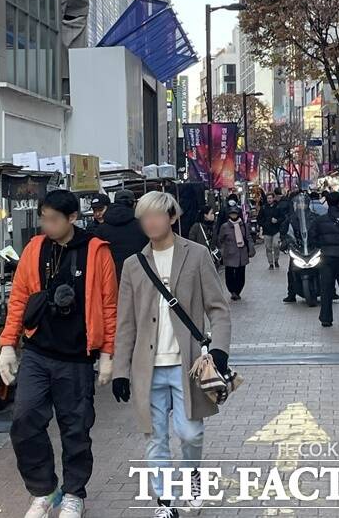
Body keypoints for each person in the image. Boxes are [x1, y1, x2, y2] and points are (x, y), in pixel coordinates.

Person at [0, 189, 117, 518]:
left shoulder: (96, 251)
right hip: (37, 352)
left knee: (75, 429)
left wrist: (108, 352)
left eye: (52, 219)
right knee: (24, 421)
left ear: (72, 218)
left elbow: (109, 305)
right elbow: (19, 298)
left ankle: (74, 493)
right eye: (43, 218)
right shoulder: (35, 248)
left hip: (77, 357)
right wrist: (9, 343)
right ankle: (44, 490)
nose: (45, 225)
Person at [112, 191, 231, 518]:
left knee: (190, 432)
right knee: (155, 438)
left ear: (172, 217)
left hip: (188, 364)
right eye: (144, 218)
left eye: (156, 215)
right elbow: (125, 323)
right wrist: (120, 370)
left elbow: (219, 309)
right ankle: (165, 503)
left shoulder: (196, 255)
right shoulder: (134, 266)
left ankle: (193, 473)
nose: (150, 223)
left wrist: (219, 350)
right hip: (146, 368)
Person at [309, 192, 339, 326]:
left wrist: (322, 246)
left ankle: (326, 318)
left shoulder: (320, 220)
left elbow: (312, 236)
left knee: (326, 287)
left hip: (325, 256)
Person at [92, 190, 147, 281]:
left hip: (112, 277)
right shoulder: (142, 225)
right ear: (134, 204)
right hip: (141, 273)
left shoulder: (101, 229)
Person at [217, 204, 254, 301]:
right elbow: (220, 240)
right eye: (232, 214)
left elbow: (248, 237)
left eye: (235, 214)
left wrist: (251, 249)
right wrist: (222, 250)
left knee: (240, 274)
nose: (233, 216)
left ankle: (237, 291)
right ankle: (232, 291)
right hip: (229, 253)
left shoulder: (244, 225)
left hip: (242, 253)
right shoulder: (225, 226)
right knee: (229, 274)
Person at [257, 191, 282, 269]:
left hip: (276, 230)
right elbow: (259, 219)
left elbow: (283, 217)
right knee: (268, 247)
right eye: (268, 198)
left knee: (276, 245)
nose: (269, 200)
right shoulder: (263, 208)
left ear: (273, 198)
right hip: (267, 231)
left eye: (270, 198)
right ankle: (271, 263)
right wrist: (263, 224)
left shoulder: (278, 207)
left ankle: (276, 260)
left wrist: (277, 220)